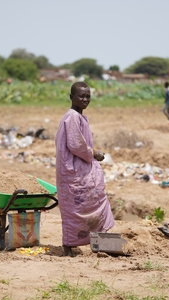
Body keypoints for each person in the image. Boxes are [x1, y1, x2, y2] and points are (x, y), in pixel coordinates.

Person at [55, 82, 115, 257]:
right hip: (73, 172)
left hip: (78, 169)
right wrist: (94, 153)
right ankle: (69, 245)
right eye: (81, 96)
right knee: (76, 209)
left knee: (94, 202)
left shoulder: (79, 117)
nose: (85, 99)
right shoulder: (72, 117)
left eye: (88, 96)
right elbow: (76, 145)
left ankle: (98, 242)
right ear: (71, 97)